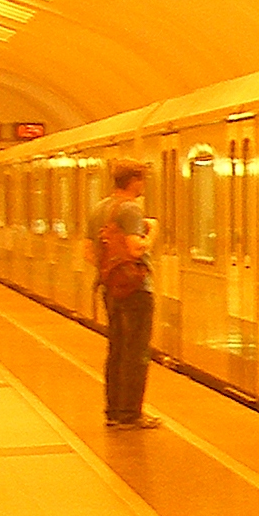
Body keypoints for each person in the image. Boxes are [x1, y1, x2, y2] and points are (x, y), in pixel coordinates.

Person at [93, 160, 160, 429]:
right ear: (133, 181)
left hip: (110, 288)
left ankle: (113, 411)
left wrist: (111, 273)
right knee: (136, 352)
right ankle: (131, 414)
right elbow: (135, 248)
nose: (143, 185)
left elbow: (88, 251)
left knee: (117, 350)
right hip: (136, 290)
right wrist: (152, 232)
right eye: (142, 179)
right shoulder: (131, 209)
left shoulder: (100, 209)